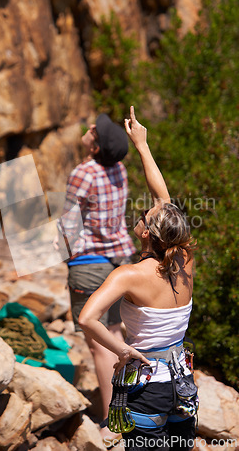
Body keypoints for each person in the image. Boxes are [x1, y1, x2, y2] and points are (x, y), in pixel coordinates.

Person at [79, 106, 197, 450]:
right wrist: (142, 145)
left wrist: (123, 350)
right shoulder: (185, 257)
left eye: (144, 215)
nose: (143, 212)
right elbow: (165, 200)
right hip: (182, 379)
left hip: (147, 387)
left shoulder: (128, 275)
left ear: (146, 234)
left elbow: (87, 318)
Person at [56, 113, 136, 439]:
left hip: (89, 265)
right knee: (114, 333)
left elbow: (68, 223)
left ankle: (111, 421)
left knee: (99, 346)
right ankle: (128, 406)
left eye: (93, 131)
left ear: (96, 145)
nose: (88, 130)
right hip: (120, 261)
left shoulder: (83, 171)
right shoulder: (119, 168)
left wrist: (66, 257)